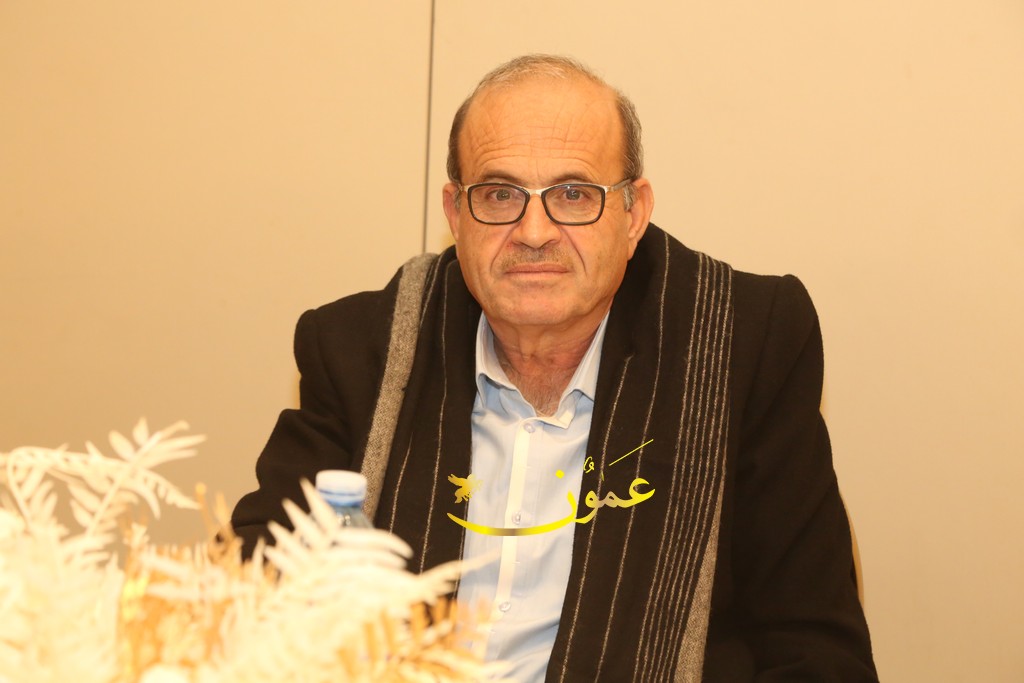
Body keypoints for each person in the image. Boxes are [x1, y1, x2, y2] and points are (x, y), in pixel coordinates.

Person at [231, 54, 877, 682]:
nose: (534, 231)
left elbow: (817, 655)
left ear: (633, 213)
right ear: (455, 214)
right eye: (499, 194)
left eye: (573, 194)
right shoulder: (362, 351)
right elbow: (250, 590)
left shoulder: (743, 346)